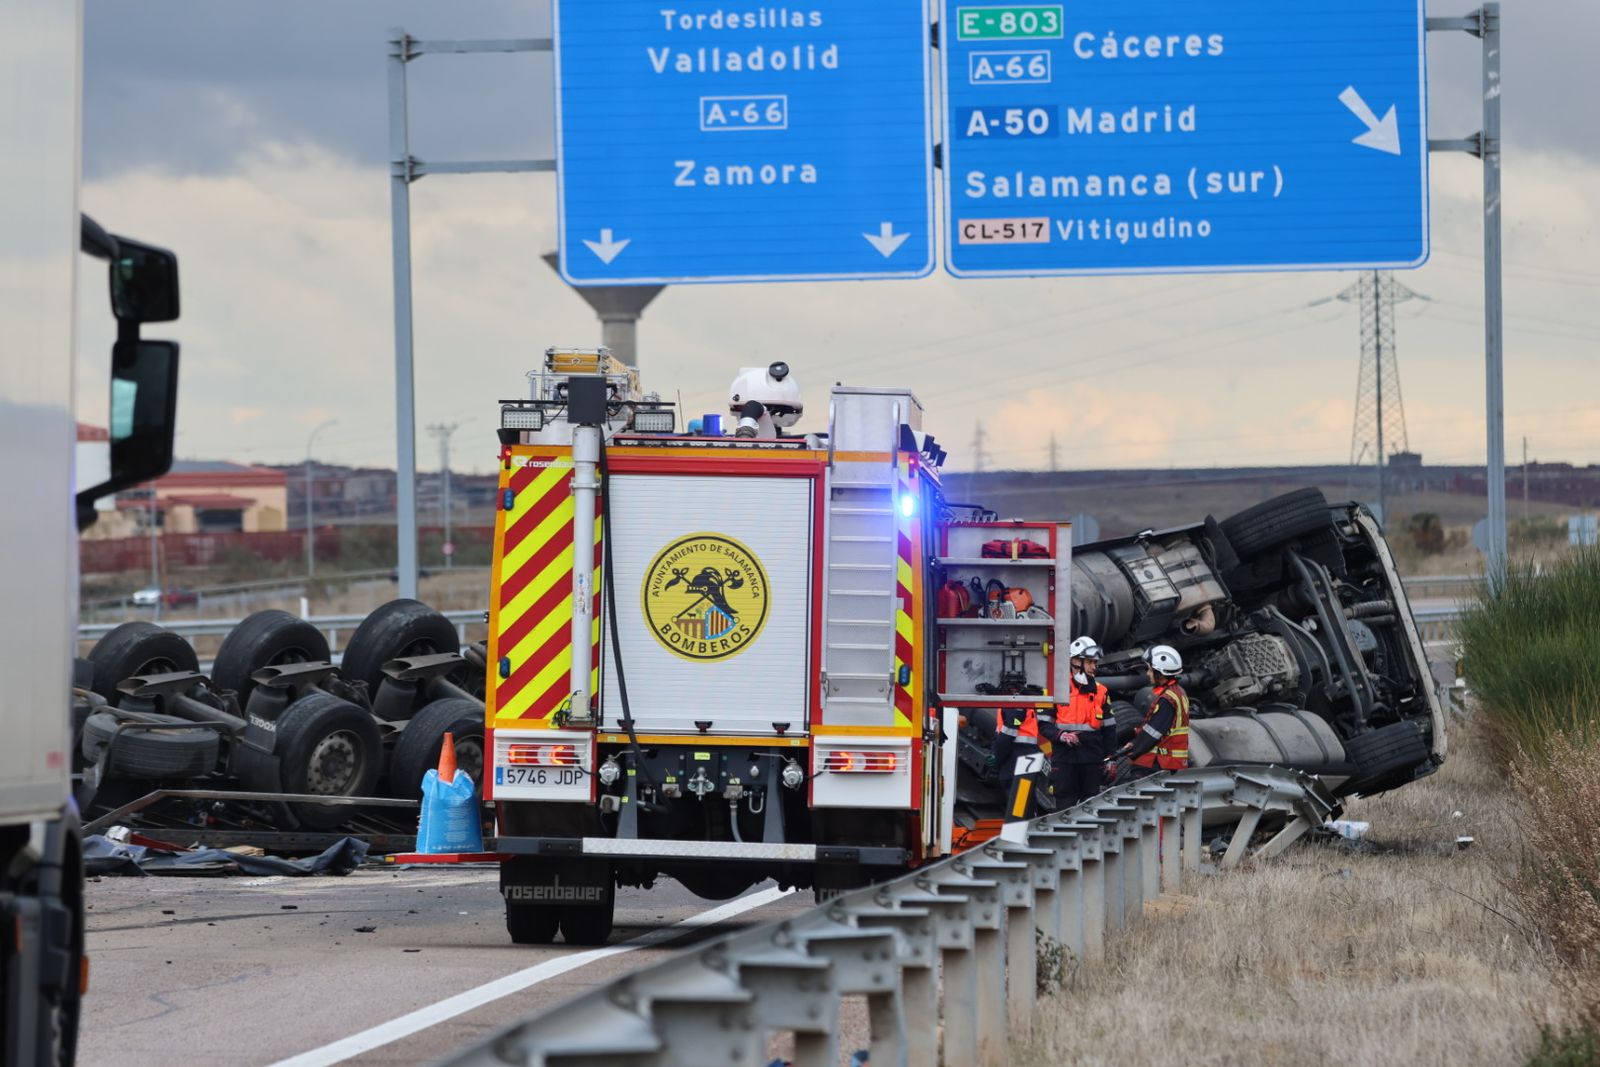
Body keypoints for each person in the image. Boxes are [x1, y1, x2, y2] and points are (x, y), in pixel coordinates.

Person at [1107, 644, 1189, 781]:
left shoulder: (1167, 700)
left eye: (1150, 670)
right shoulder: (1178, 694)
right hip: (1169, 763)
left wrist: (1132, 751)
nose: (1147, 674)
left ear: (1160, 673)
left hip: (1157, 763)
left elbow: (1152, 733)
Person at [1052, 636, 1113, 807]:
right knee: (1064, 808)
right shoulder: (1057, 689)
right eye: (1090, 662)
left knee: (1091, 810)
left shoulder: (1102, 691)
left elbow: (1109, 729)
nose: (1095, 667)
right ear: (1076, 661)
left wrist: (1111, 758)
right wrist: (1062, 736)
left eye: (1095, 663)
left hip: (1092, 762)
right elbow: (1043, 724)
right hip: (1064, 760)